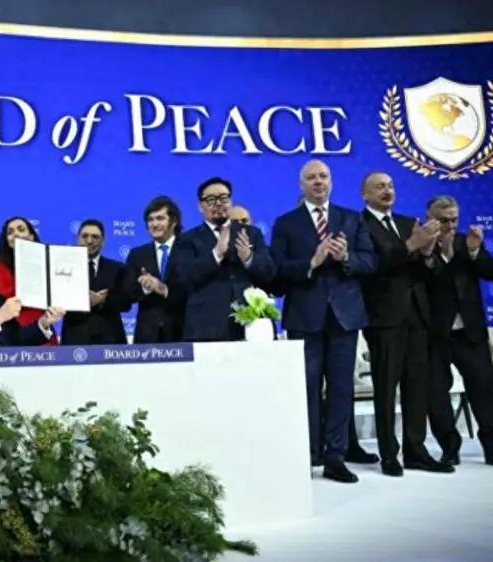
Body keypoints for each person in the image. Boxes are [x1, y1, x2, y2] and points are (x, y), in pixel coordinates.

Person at [270, 160, 375, 483]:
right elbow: (276, 273)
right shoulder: (286, 223)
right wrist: (311, 262)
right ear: (301, 184)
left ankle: (335, 456)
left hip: (344, 316)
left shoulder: (351, 218)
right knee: (307, 387)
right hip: (305, 317)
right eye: (312, 178)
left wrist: (345, 258)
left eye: (324, 176)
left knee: (342, 388)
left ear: (331, 181)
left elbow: (370, 262)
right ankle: (309, 451)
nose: (318, 182)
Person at [359, 172, 451, 475]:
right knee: (386, 388)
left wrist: (427, 252)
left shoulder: (407, 222)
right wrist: (411, 245)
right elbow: (374, 266)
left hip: (417, 315)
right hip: (384, 318)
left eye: (390, 185)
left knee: (416, 386)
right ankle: (389, 453)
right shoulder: (359, 225)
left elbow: (427, 271)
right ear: (365, 195)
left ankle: (416, 450)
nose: (387, 190)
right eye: (379, 187)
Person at [424, 195, 493, 466]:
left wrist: (475, 252)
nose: (450, 226)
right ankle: (449, 448)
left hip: (469, 333)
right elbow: (426, 278)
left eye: (454, 219)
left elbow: (489, 271)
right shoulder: (420, 245)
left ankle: (491, 446)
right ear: (430, 218)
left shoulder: (468, 242)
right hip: (434, 334)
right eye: (444, 220)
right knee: (435, 394)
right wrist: (439, 254)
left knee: (484, 391)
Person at [173, 178, 275, 341]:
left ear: (230, 201)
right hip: (206, 326)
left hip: (249, 325)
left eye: (223, 198)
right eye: (211, 199)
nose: (219, 204)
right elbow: (183, 277)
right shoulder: (187, 239)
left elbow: (269, 273)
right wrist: (216, 255)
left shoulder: (251, 233)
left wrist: (248, 257)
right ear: (200, 206)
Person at [123, 196, 186, 343]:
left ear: (174, 222)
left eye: (160, 218)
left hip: (182, 333)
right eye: (150, 220)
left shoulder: (188, 250)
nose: (154, 224)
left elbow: (194, 289)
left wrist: (163, 289)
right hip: (147, 336)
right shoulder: (137, 254)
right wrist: (145, 289)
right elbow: (127, 294)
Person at [0, 216, 59, 344]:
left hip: (44, 324)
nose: (16, 234)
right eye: (10, 232)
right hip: (16, 330)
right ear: (7, 241)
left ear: (31, 236)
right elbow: (5, 297)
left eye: (21, 229)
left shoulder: (45, 262)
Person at [61, 219, 130, 344]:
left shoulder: (117, 268)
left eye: (95, 237)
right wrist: (83, 300)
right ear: (78, 239)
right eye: (85, 236)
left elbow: (126, 304)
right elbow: (57, 300)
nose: (89, 241)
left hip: (110, 339)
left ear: (103, 241)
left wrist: (103, 300)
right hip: (74, 338)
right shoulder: (63, 268)